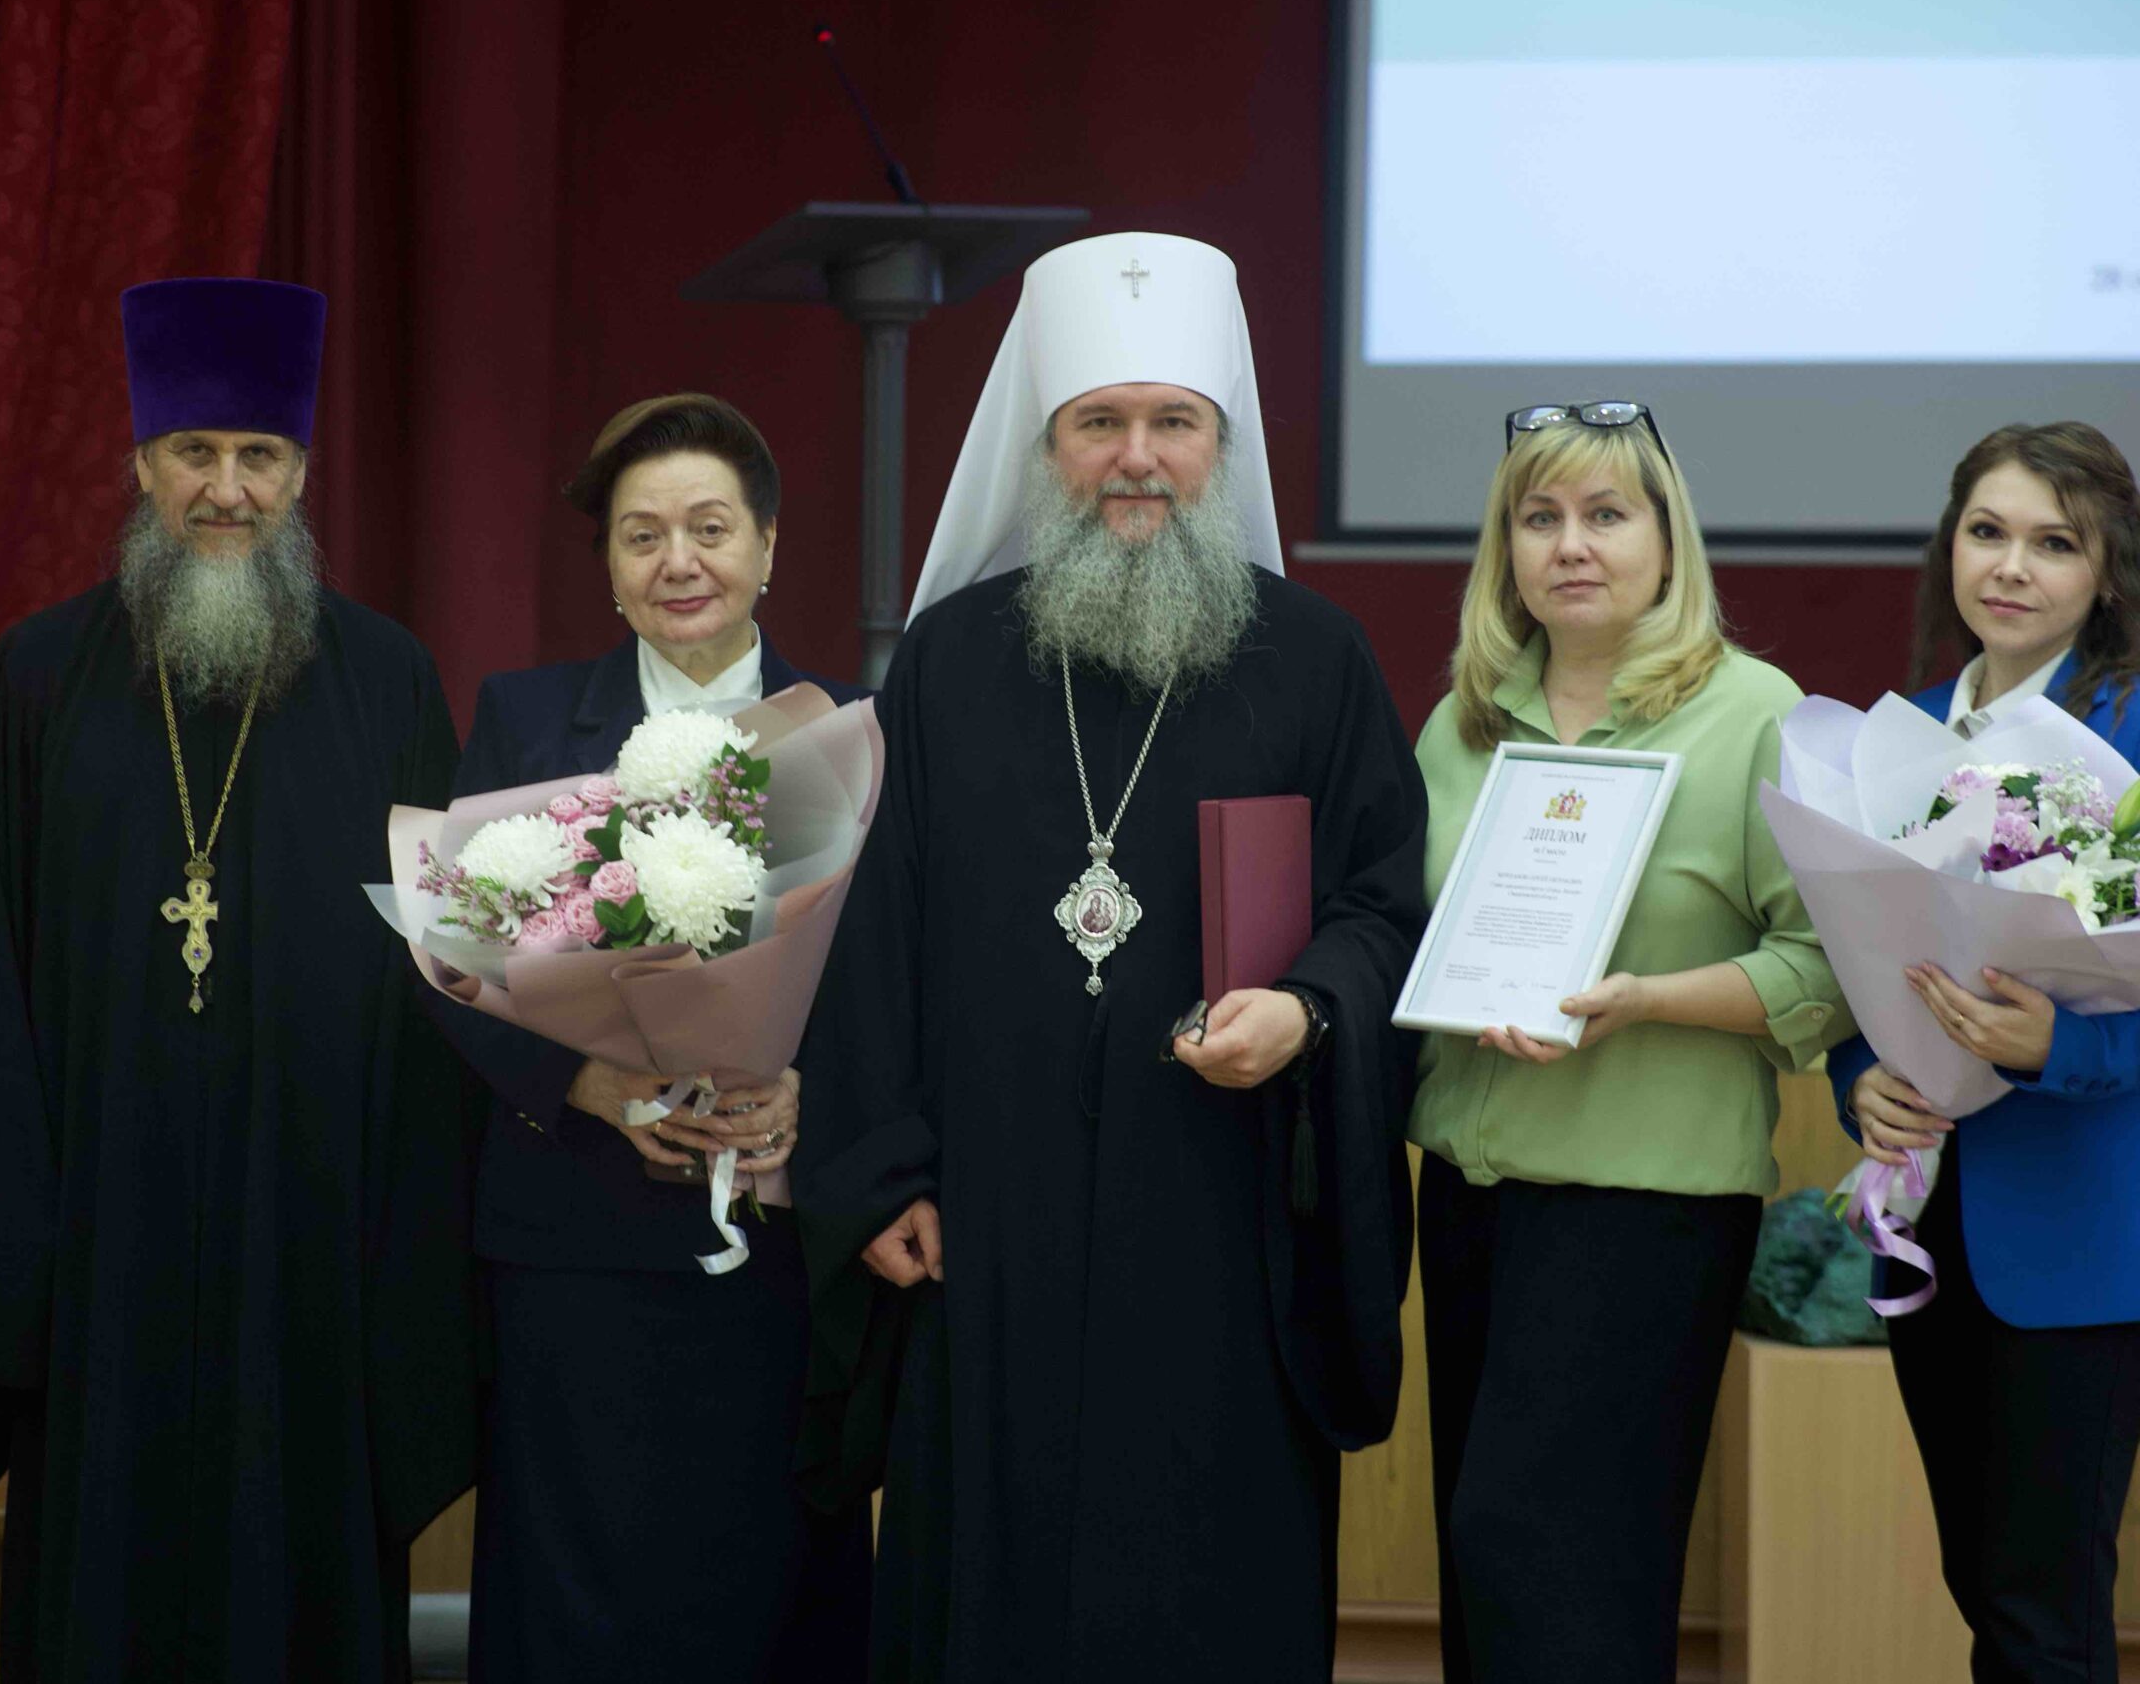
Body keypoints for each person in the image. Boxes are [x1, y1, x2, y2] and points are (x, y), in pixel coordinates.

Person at [792, 232, 1430, 1681]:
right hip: (991, 1230)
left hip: (1220, 1227)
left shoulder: (1318, 662)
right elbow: (871, 936)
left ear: (1221, 443)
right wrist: (881, 1166)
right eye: (1100, 423)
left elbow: (1387, 907)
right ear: (1049, 444)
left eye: (1172, 423)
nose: (1136, 457)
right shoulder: (949, 663)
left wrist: (1313, 1011)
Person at [0, 278, 479, 1682]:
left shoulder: (390, 680)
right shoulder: (43, 672)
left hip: (316, 1252)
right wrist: (13, 1260)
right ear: (141, 465)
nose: (227, 489)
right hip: (100, 1247)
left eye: (260, 458)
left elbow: (445, 990)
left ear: (301, 473)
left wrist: (402, 1269)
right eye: (195, 455)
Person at [1408, 402, 1851, 1680]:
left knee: (1557, 1571)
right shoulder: (1464, 722)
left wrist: (1645, 998)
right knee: (1483, 1573)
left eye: (1607, 514)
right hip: (1476, 1196)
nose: (1571, 546)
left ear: (1668, 540)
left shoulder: (1757, 713)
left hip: (1644, 1205)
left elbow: (1824, 974)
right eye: (1537, 519)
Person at [439, 393, 870, 1681]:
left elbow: (899, 979)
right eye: (641, 537)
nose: (678, 563)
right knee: (576, 1594)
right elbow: (448, 965)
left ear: (769, 548)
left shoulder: (849, 732)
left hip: (778, 1257)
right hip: (577, 1249)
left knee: (770, 1591)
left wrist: (806, 1093)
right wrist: (591, 1079)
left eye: (708, 528)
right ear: (611, 569)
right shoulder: (525, 721)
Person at [1831, 422, 2140, 1682]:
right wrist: (1862, 1071)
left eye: (2054, 544)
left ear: (2107, 572)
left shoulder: (2124, 732)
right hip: (1932, 1215)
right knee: (1985, 1584)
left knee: (2040, 1612)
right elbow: (1861, 947)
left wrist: (2055, 1044)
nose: (2011, 567)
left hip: (2079, 1233)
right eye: (1988, 532)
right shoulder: (1897, 731)